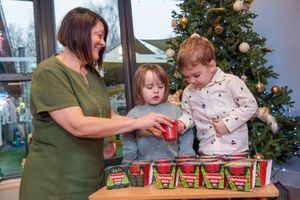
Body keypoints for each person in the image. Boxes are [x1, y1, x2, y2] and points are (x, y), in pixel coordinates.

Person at [19, 7, 173, 200]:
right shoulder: (50, 72)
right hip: (55, 182)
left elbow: (107, 116)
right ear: (78, 33)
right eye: (99, 35)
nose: (103, 42)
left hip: (91, 177)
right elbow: (78, 125)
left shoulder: (92, 74)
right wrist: (136, 123)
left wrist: (146, 124)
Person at [177, 34, 258, 156]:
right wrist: (181, 123)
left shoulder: (230, 82)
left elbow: (251, 106)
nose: (191, 81)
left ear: (211, 66)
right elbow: (188, 114)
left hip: (235, 151)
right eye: (187, 77)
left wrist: (227, 124)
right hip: (207, 151)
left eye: (196, 75)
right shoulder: (189, 91)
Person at [121, 64, 195, 163]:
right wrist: (129, 163)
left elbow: (186, 135)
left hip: (173, 168)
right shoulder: (133, 114)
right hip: (144, 169)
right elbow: (128, 141)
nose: (156, 91)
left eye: (160, 86)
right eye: (149, 87)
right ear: (139, 89)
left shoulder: (175, 110)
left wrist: (186, 159)